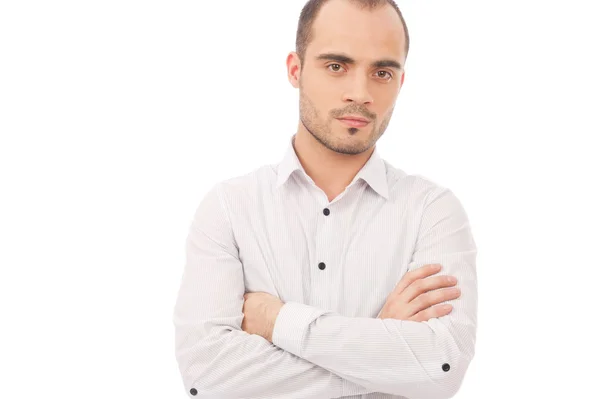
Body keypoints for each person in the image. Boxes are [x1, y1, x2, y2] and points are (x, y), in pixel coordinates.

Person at [172, 0, 478, 397]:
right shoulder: (230, 208)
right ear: (295, 70)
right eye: (337, 66)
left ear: (400, 82)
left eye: (382, 72)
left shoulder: (433, 212)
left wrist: (277, 321)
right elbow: (206, 376)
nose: (361, 92)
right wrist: (382, 354)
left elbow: (441, 368)